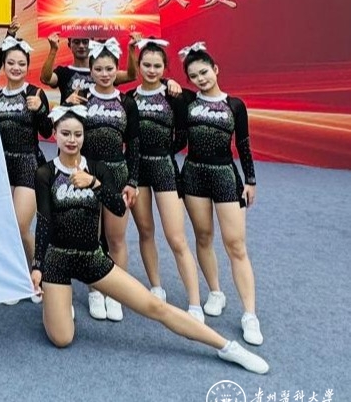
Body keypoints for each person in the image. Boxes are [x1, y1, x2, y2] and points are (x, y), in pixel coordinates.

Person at [29, 106, 268, 375]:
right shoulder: (45, 174)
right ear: (55, 135)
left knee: (155, 306)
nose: (72, 140)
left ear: (85, 136)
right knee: (62, 339)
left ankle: (226, 346)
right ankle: (56, 301)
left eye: (77, 134)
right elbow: (44, 222)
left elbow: (118, 209)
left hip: (92, 258)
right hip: (58, 259)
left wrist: (94, 183)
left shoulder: (97, 168)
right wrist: (38, 266)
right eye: (65, 134)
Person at [178, 42, 263, 346]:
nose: (200, 79)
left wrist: (250, 180)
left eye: (204, 72)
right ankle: (215, 291)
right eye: (193, 76)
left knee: (236, 245)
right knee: (203, 237)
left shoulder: (235, 105)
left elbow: (243, 144)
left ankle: (249, 314)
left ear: (215, 69)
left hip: (225, 176)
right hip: (194, 176)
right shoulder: (187, 101)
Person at [127, 39, 203, 323]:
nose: (151, 70)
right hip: (136, 171)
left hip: (164, 169)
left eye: (157, 66)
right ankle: (156, 286)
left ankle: (194, 302)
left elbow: (182, 135)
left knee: (176, 237)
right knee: (145, 231)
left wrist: (164, 153)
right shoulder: (129, 98)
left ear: (165, 67)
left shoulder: (175, 95)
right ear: (139, 66)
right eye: (146, 65)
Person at [0, 36, 51, 320]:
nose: (16, 68)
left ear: (27, 65)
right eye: (11, 63)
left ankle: (37, 274)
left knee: (20, 227)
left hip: (28, 163)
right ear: (4, 65)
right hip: (1, 166)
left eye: (21, 63)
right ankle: (14, 278)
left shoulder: (35, 92)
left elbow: (47, 132)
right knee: (4, 227)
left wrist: (40, 109)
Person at [75, 38, 140, 322]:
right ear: (90, 70)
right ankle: (95, 291)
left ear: (117, 69)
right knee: (91, 236)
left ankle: (116, 293)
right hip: (88, 172)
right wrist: (68, 104)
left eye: (109, 68)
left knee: (116, 238)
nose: (104, 74)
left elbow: (134, 145)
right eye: (99, 69)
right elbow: (66, 133)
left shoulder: (127, 102)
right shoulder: (81, 97)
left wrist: (132, 181)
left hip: (117, 173)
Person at [40, 32, 139, 105]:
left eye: (85, 42)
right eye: (76, 42)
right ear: (69, 45)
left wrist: (131, 49)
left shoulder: (104, 72)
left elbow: (131, 76)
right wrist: (53, 49)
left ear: (92, 44)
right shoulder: (63, 72)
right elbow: (46, 79)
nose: (81, 46)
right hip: (72, 124)